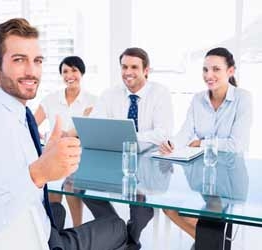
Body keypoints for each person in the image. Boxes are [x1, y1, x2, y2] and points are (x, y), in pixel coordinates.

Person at [0, 18, 127, 250]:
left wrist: (43, 158)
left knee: (58, 210)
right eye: (19, 60)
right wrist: (37, 174)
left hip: (38, 225)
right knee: (117, 227)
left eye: (37, 61)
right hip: (36, 242)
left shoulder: (14, 111)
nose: (31, 71)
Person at [83, 47, 174, 250]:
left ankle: (129, 238)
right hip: (116, 160)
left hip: (148, 164)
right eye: (124, 67)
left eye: (134, 67)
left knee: (139, 200)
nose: (128, 72)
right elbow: (97, 125)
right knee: (76, 184)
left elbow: (163, 132)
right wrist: (121, 141)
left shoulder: (159, 93)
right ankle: (116, 227)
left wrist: (127, 139)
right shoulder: (109, 94)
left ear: (146, 70)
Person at [160, 47, 252, 245]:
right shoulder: (198, 99)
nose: (208, 75)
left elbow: (238, 144)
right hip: (202, 178)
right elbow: (186, 131)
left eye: (216, 69)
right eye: (205, 69)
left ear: (230, 71)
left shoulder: (243, 99)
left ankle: (207, 242)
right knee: (168, 206)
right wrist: (171, 143)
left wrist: (202, 143)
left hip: (230, 180)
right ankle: (207, 242)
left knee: (208, 222)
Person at [34, 56, 96, 227]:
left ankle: (77, 228)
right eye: (65, 71)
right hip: (54, 154)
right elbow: (32, 124)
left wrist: (68, 134)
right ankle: (55, 232)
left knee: (70, 186)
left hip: (80, 157)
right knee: (53, 192)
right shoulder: (51, 99)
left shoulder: (92, 101)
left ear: (81, 73)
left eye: (74, 70)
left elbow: (88, 130)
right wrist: (40, 135)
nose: (70, 75)